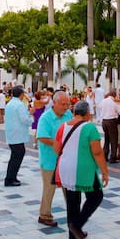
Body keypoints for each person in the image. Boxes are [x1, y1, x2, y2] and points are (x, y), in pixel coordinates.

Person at [54, 101, 109, 239]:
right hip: (84, 169)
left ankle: (73, 234)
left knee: (72, 200)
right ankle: (76, 225)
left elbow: (56, 147)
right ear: (87, 113)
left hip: (65, 167)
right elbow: (97, 152)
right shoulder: (90, 127)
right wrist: (104, 171)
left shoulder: (63, 126)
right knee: (96, 196)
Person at [36, 91, 72, 227]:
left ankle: (73, 212)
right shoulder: (45, 118)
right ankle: (44, 215)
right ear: (54, 103)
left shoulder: (68, 115)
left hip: (66, 159)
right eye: (63, 104)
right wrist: (57, 143)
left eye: (67, 104)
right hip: (50, 160)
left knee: (69, 187)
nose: (66, 107)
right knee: (49, 188)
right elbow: (41, 137)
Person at [4, 87, 33, 186]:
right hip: (17, 134)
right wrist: (32, 120)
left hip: (12, 133)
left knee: (15, 156)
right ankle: (10, 178)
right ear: (21, 95)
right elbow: (24, 119)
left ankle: (11, 177)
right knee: (17, 156)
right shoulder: (19, 105)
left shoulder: (10, 104)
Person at [98, 90, 120, 163]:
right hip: (112, 121)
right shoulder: (115, 102)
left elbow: (99, 107)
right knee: (114, 140)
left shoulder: (103, 101)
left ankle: (105, 156)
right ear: (115, 95)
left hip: (104, 121)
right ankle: (113, 158)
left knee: (106, 139)